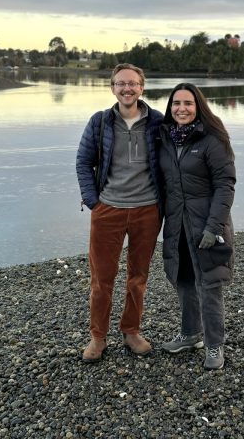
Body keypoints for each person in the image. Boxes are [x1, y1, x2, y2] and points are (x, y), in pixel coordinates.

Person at [75, 63, 164, 363]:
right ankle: (98, 337)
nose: (127, 89)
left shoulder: (158, 123)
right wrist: (93, 201)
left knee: (138, 277)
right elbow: (83, 162)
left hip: (147, 211)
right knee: (102, 279)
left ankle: (131, 331)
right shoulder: (100, 122)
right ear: (112, 88)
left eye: (133, 84)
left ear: (142, 87)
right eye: (121, 84)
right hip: (108, 210)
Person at [158, 83, 236, 370]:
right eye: (176, 103)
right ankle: (190, 335)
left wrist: (214, 226)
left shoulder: (212, 140)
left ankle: (214, 345)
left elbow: (225, 185)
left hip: (207, 226)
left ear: (198, 106)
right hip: (177, 226)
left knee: (209, 286)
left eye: (188, 103)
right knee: (184, 282)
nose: (181, 109)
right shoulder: (165, 139)